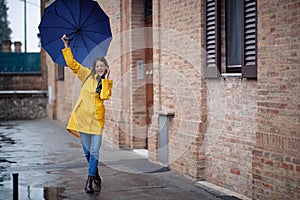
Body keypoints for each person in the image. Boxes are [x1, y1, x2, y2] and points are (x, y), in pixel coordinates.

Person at [61, 34, 113, 194]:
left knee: (95, 150)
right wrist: (66, 45)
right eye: (97, 66)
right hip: (82, 119)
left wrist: (106, 79)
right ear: (93, 67)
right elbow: (72, 64)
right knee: (87, 152)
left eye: (102, 66)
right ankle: (95, 173)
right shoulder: (86, 76)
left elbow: (105, 96)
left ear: (105, 68)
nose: (99, 68)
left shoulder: (104, 82)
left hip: (96, 121)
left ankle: (89, 180)